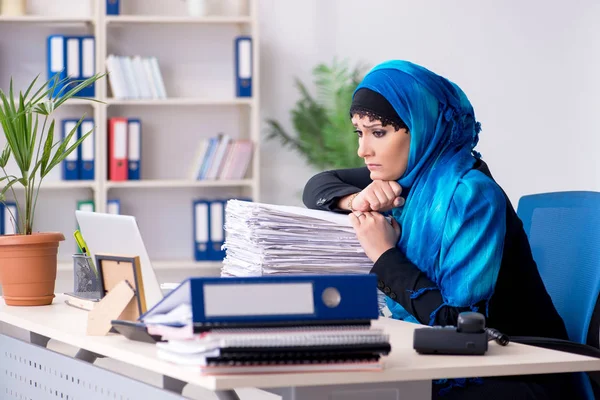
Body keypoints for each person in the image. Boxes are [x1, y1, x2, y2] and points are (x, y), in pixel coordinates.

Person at [302, 60, 580, 399]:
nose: (363, 150)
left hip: (516, 371)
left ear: (421, 126)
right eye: (359, 133)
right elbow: (317, 187)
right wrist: (356, 199)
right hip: (450, 361)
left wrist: (384, 254)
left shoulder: (469, 194)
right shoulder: (409, 178)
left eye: (378, 132)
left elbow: (459, 324)